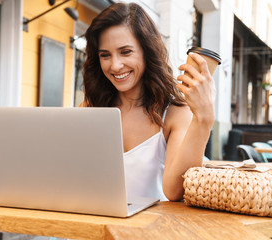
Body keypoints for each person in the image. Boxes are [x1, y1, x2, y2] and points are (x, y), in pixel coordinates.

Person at [80, 2, 216, 201]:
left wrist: (204, 118)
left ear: (147, 51)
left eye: (126, 52)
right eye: (105, 55)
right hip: (93, 225)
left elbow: (174, 191)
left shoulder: (174, 113)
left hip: (150, 229)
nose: (115, 65)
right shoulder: (90, 108)